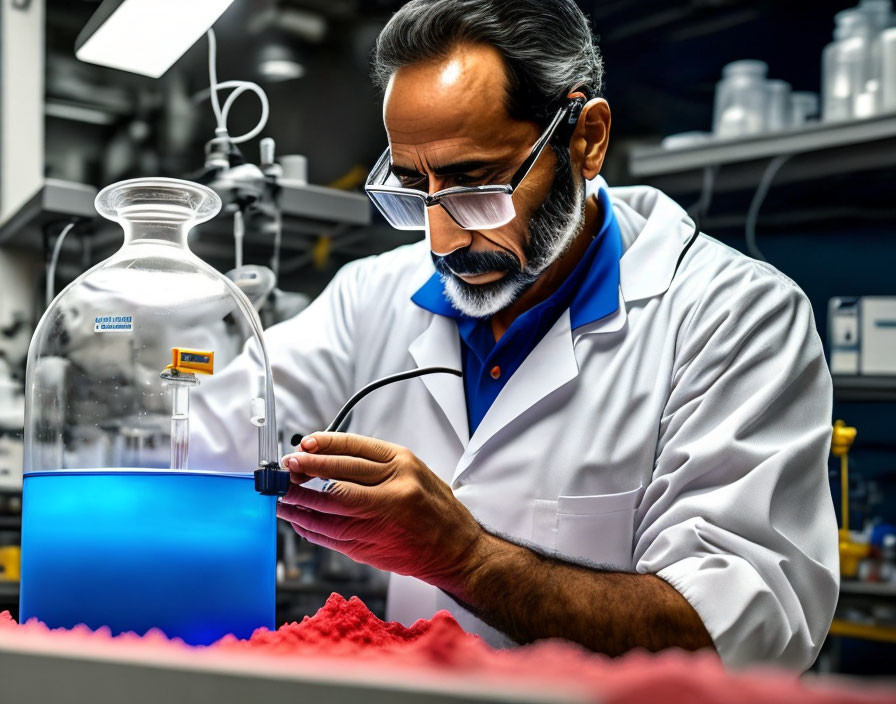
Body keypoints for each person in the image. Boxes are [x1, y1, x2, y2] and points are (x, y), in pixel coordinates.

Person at [194, 0, 839, 670]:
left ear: (586, 138)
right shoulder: (371, 296)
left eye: (478, 185)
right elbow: (204, 439)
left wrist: (464, 557)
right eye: (416, 190)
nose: (442, 240)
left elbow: (741, 635)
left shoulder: (733, 315)